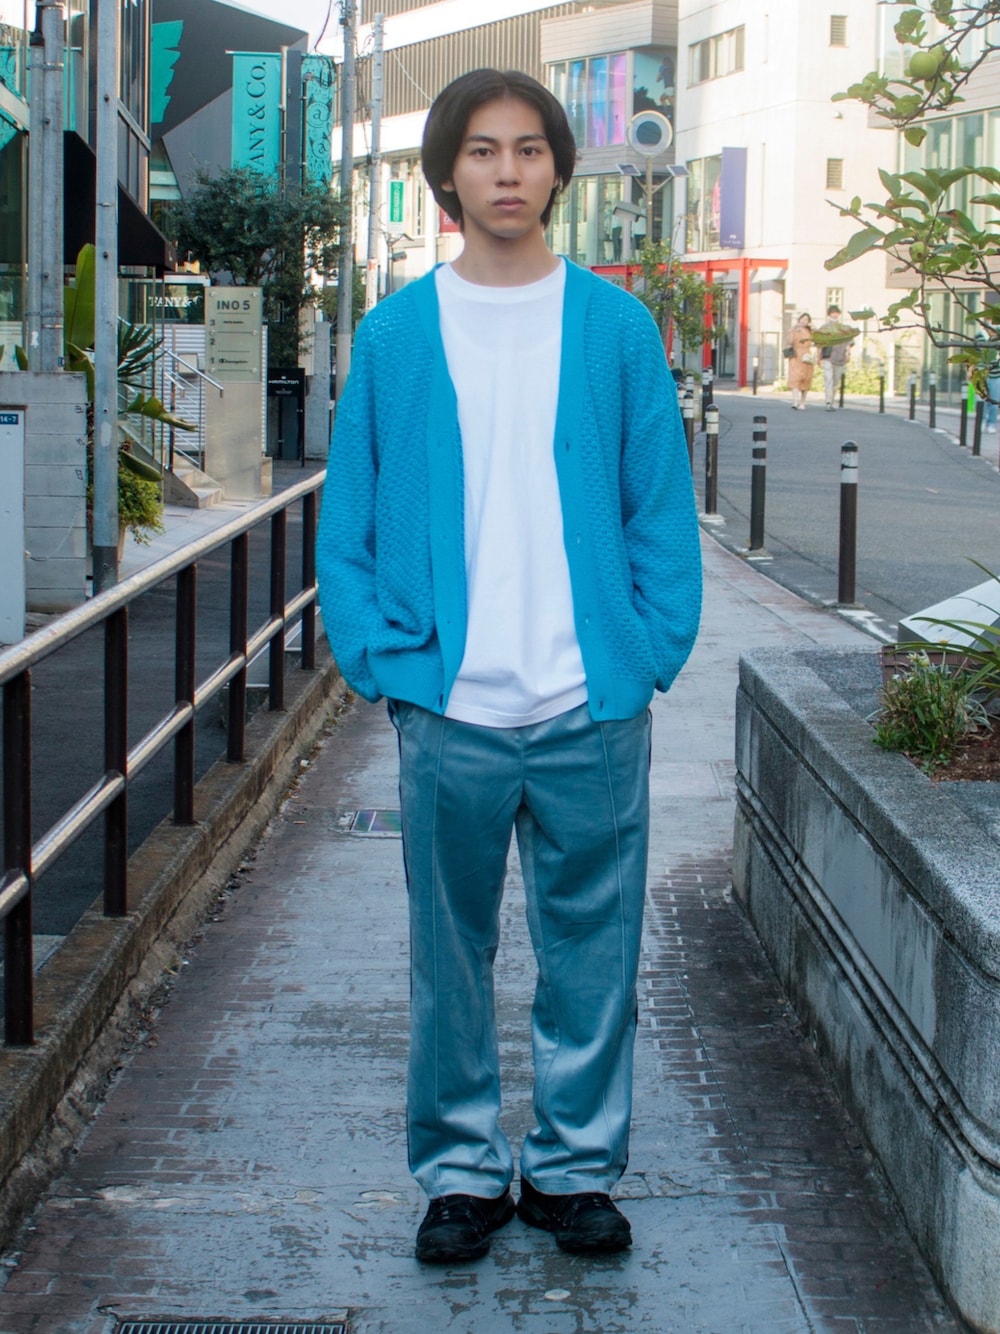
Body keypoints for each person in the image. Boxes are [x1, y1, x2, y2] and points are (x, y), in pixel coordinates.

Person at [315, 68, 702, 1266]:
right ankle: (462, 1172)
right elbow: (351, 517)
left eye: (529, 149)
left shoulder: (613, 329)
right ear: (446, 173)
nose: (506, 171)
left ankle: (574, 1168)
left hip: (591, 702)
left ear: (557, 170)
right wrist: (385, 663)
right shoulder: (394, 335)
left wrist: (645, 653)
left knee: (596, 952)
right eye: (481, 150)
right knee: (448, 956)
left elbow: (657, 505)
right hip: (449, 706)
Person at [818, 304, 851, 411]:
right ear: (829, 314)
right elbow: (819, 343)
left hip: (840, 357)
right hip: (828, 356)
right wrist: (818, 357)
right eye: (832, 313)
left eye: (836, 313)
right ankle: (828, 402)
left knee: (836, 381)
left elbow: (848, 343)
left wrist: (848, 354)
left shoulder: (844, 328)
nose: (834, 315)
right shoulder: (824, 328)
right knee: (828, 379)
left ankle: (831, 401)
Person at [787, 312, 815, 410]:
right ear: (799, 320)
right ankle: (795, 401)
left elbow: (817, 339)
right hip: (796, 355)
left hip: (807, 356)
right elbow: (789, 342)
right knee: (795, 377)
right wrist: (791, 330)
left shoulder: (810, 332)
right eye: (802, 319)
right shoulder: (794, 331)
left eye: (806, 319)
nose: (804, 321)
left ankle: (803, 402)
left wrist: (813, 327)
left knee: (806, 378)